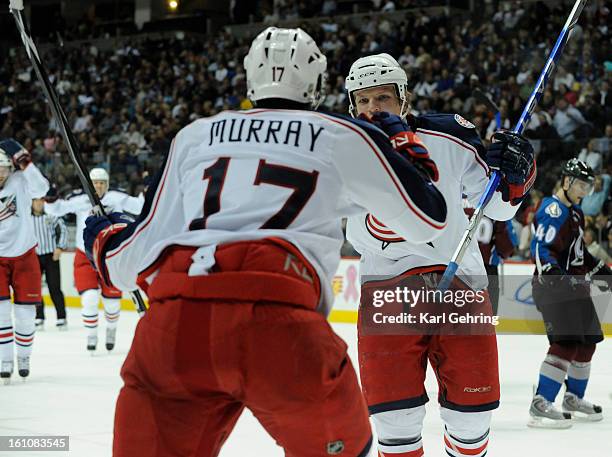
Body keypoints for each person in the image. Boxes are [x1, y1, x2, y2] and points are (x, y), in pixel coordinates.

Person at [83, 27, 448, 457]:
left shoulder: (195, 136)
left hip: (178, 323)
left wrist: (103, 236)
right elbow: (428, 219)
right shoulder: (340, 133)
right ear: (318, 85)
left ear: (249, 78)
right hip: (280, 325)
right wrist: (403, 146)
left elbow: (128, 263)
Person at [344, 53, 535, 457]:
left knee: (472, 418)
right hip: (388, 293)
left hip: (460, 287)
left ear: (404, 99)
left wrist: (517, 177)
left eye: (382, 98)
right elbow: (356, 232)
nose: (372, 109)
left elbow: (498, 207)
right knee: (395, 424)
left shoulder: (450, 136)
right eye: (363, 101)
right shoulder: (343, 150)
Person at [529, 158, 609, 428]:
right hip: (554, 287)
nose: (585, 191)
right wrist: (554, 276)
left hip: (575, 287)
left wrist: (603, 271)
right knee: (565, 344)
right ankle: (541, 402)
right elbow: (541, 249)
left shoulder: (575, 213)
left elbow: (580, 254)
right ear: (566, 181)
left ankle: (573, 398)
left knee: (587, 342)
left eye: (589, 186)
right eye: (581, 185)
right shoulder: (553, 210)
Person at [45, 168, 144, 352]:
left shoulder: (116, 197)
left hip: (110, 256)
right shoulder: (79, 199)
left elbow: (139, 206)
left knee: (112, 303)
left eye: (101, 183)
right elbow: (55, 209)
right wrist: (49, 198)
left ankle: (111, 331)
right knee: (89, 299)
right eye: (95, 183)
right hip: (86, 255)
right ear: (88, 184)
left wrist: (147, 192)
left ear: (106, 184)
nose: (98, 186)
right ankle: (91, 336)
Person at [0, 139, 49, 382]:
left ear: (10, 167)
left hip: (24, 255)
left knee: (26, 315)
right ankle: (5, 358)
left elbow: (42, 189)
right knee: (0, 312)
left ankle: (24, 356)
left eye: (2, 169)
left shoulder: (20, 180)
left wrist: (27, 164)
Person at [32, 189, 68, 330]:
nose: (39, 203)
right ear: (32, 202)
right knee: (35, 289)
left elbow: (63, 230)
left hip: (51, 256)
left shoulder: (52, 216)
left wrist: (60, 247)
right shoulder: (26, 218)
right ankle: (39, 316)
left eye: (41, 200)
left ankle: (61, 317)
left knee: (54, 287)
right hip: (34, 257)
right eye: (36, 200)